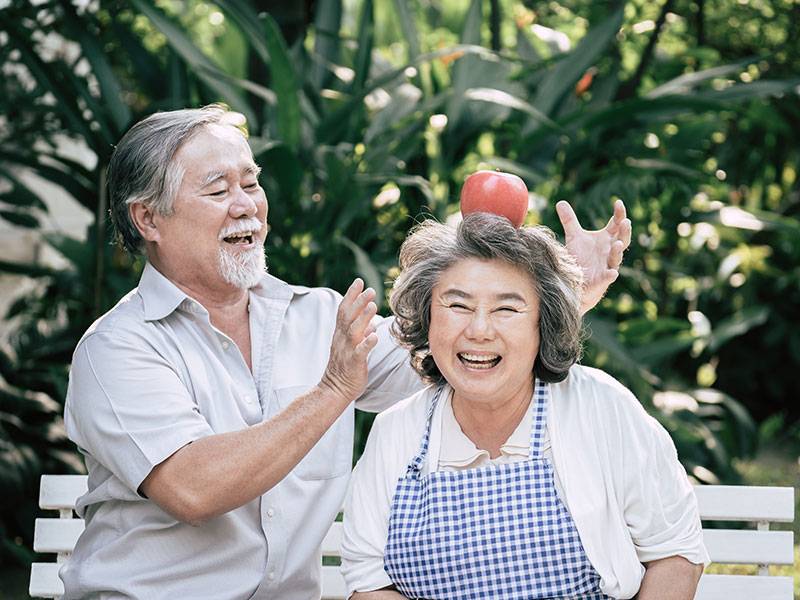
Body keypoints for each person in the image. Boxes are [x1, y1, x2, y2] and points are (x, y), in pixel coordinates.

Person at [60, 104, 631, 599]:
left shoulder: (318, 316)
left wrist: (570, 291)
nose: (246, 206)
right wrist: (333, 390)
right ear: (148, 218)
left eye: (251, 183)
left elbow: (457, 358)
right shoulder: (116, 350)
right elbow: (194, 487)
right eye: (217, 189)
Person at [341, 213, 707, 600]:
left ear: (542, 326)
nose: (479, 330)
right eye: (458, 305)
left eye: (506, 309)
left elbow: (675, 553)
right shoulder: (395, 432)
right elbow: (369, 581)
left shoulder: (603, 407)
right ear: (428, 321)